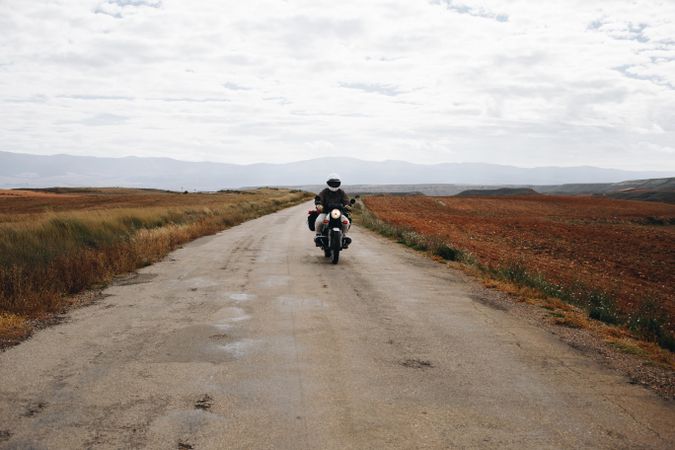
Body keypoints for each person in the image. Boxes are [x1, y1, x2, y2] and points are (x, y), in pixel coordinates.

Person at [314, 173, 351, 245]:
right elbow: (319, 198)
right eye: (332, 183)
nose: (334, 185)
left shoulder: (341, 192)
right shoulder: (325, 191)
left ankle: (343, 235)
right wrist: (319, 204)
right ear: (328, 183)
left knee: (346, 222)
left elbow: (346, 200)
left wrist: (347, 205)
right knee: (319, 221)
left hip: (339, 213)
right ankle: (318, 235)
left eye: (335, 183)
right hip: (326, 212)